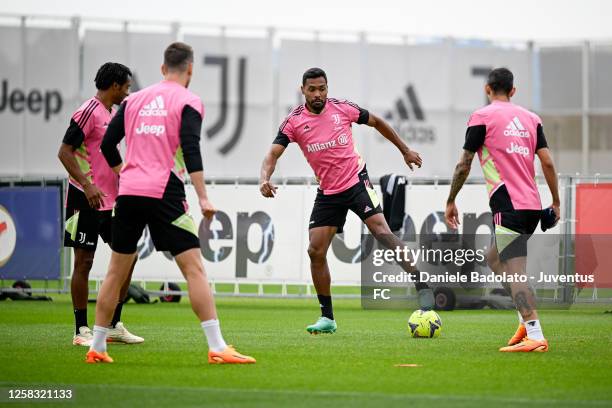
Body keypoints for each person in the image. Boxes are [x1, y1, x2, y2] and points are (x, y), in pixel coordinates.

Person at [88, 42, 255, 364]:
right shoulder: (189, 101)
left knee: (114, 272)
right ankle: (217, 347)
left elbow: (108, 144)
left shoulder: (134, 99)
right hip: (165, 191)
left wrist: (126, 173)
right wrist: (204, 196)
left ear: (163, 69)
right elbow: (191, 150)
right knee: (194, 269)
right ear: (189, 69)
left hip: (129, 193)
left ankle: (97, 346)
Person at [260, 67, 435, 335]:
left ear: (327, 88)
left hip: (356, 182)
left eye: (322, 88)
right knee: (314, 251)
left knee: (382, 232)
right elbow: (272, 155)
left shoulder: (342, 109)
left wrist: (405, 150)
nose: (318, 94)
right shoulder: (293, 122)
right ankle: (327, 318)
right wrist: (264, 179)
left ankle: (423, 288)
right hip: (329, 192)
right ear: (303, 90)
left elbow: (377, 122)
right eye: (312, 89)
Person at [445, 67, 560, 352]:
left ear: (487, 89)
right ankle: (525, 318)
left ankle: (535, 333)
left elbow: (464, 164)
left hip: (508, 206)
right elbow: (547, 162)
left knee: (515, 272)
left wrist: (451, 200)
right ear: (513, 91)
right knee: (494, 259)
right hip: (533, 208)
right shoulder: (531, 119)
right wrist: (556, 202)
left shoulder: (481, 117)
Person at [58, 62, 143, 347]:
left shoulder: (112, 113)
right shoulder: (87, 111)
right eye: (126, 87)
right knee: (84, 262)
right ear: (115, 85)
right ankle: (81, 329)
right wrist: (87, 183)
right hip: (85, 199)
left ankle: (113, 324)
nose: (128, 92)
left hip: (111, 201)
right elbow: (64, 152)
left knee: (128, 255)